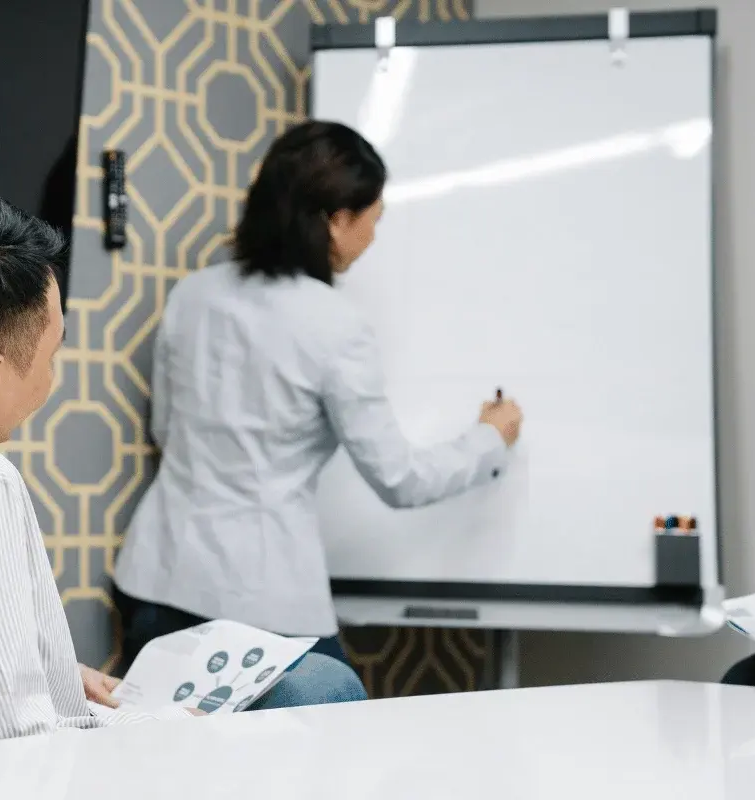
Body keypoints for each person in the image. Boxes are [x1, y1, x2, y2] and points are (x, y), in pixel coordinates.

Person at [0, 192, 367, 751]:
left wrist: (46, 674)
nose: (50, 379)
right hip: (21, 774)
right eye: (51, 357)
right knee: (323, 685)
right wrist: (167, 727)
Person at [113, 121, 525, 669]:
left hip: (155, 576)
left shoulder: (193, 294)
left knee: (162, 750)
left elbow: (165, 430)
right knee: (319, 737)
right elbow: (399, 479)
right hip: (260, 605)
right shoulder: (335, 325)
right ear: (336, 221)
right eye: (373, 219)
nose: (374, 237)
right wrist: (489, 438)